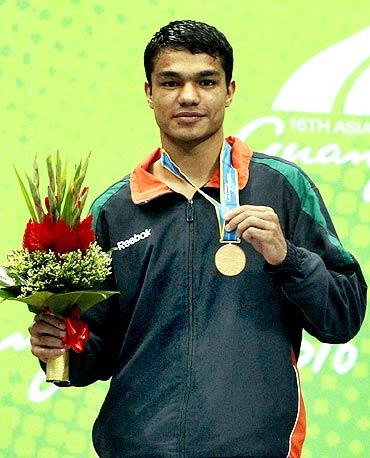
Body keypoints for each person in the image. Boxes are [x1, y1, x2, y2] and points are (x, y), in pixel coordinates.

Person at [29, 20, 367, 458]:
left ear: (229, 90)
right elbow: (95, 353)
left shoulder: (280, 187)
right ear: (149, 92)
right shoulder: (113, 211)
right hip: (137, 448)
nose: (188, 96)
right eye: (171, 82)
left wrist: (289, 259)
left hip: (254, 447)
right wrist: (59, 347)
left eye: (205, 81)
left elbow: (344, 317)